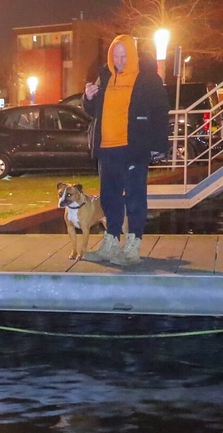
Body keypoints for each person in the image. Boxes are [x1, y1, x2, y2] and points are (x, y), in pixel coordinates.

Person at [82, 37, 170, 265]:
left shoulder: (147, 79)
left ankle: (132, 246)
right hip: (107, 149)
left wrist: (159, 145)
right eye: (115, 56)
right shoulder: (105, 76)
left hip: (133, 148)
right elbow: (94, 111)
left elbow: (161, 112)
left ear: (133, 55)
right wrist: (88, 98)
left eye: (124, 56)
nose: (119, 61)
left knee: (135, 198)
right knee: (110, 199)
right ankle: (111, 242)